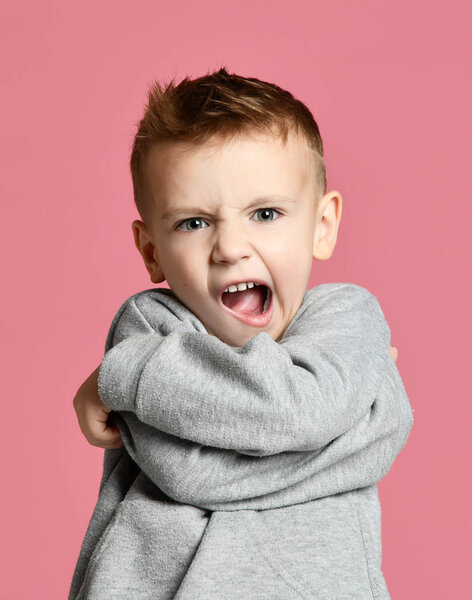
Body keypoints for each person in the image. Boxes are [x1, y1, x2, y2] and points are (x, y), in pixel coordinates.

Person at [69, 67, 413, 599]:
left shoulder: (347, 317)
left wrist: (127, 378)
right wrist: (353, 431)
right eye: (193, 222)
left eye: (265, 213)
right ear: (152, 251)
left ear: (322, 225)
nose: (230, 247)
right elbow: (189, 472)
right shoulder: (149, 327)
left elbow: (324, 418)